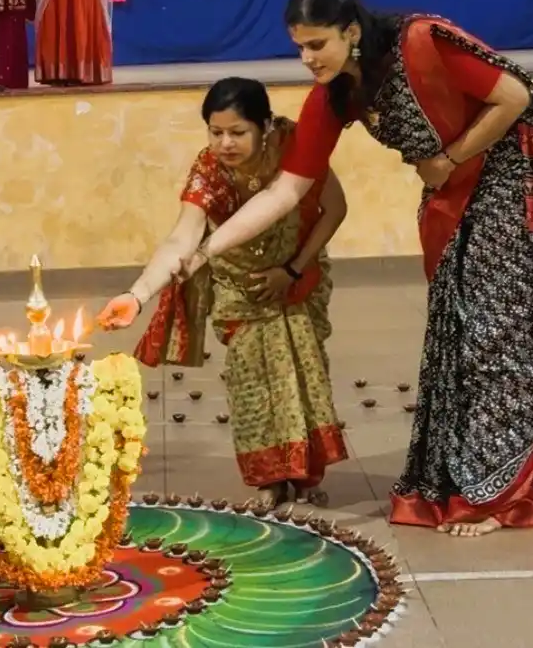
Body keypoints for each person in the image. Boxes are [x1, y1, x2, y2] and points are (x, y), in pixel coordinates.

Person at [106, 0, 533, 537]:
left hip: (508, 188)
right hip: (449, 198)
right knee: (461, 337)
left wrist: (450, 158)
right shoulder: (334, 97)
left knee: (496, 335)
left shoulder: (420, 43)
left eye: (316, 44)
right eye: (298, 48)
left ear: (351, 33)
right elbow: (285, 193)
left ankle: (506, 496)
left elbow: (516, 96)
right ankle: (478, 480)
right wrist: (201, 254)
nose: (307, 59)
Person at [100, 78, 347, 506]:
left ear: (265, 126)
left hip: (295, 281)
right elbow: (182, 239)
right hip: (240, 288)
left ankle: (307, 476)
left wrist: (292, 269)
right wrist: (137, 295)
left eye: (238, 132)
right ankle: (270, 479)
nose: (226, 143)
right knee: (251, 383)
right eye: (216, 133)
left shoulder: (295, 146)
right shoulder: (209, 172)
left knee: (302, 377)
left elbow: (335, 209)